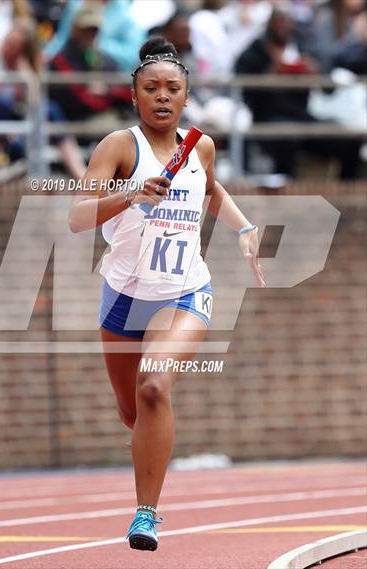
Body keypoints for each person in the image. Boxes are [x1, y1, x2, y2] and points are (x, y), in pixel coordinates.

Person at [68, 36, 265, 552]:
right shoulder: (117, 146)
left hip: (184, 291)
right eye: (150, 88)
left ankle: (145, 514)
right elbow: (76, 217)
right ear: (134, 96)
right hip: (123, 295)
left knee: (154, 386)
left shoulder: (199, 145)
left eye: (172, 89)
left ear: (185, 95)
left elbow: (211, 189)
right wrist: (132, 192)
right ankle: (146, 438)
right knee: (132, 410)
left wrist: (244, 228)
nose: (161, 96)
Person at [235, 7, 362, 179]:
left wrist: (314, 71)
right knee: (287, 140)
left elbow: (329, 87)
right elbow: (244, 93)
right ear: (269, 24)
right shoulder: (254, 52)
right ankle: (287, 197)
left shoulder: (303, 46)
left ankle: (344, 197)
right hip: (268, 119)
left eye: (287, 21)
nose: (283, 26)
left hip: (302, 116)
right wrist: (270, 74)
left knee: (349, 139)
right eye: (278, 21)